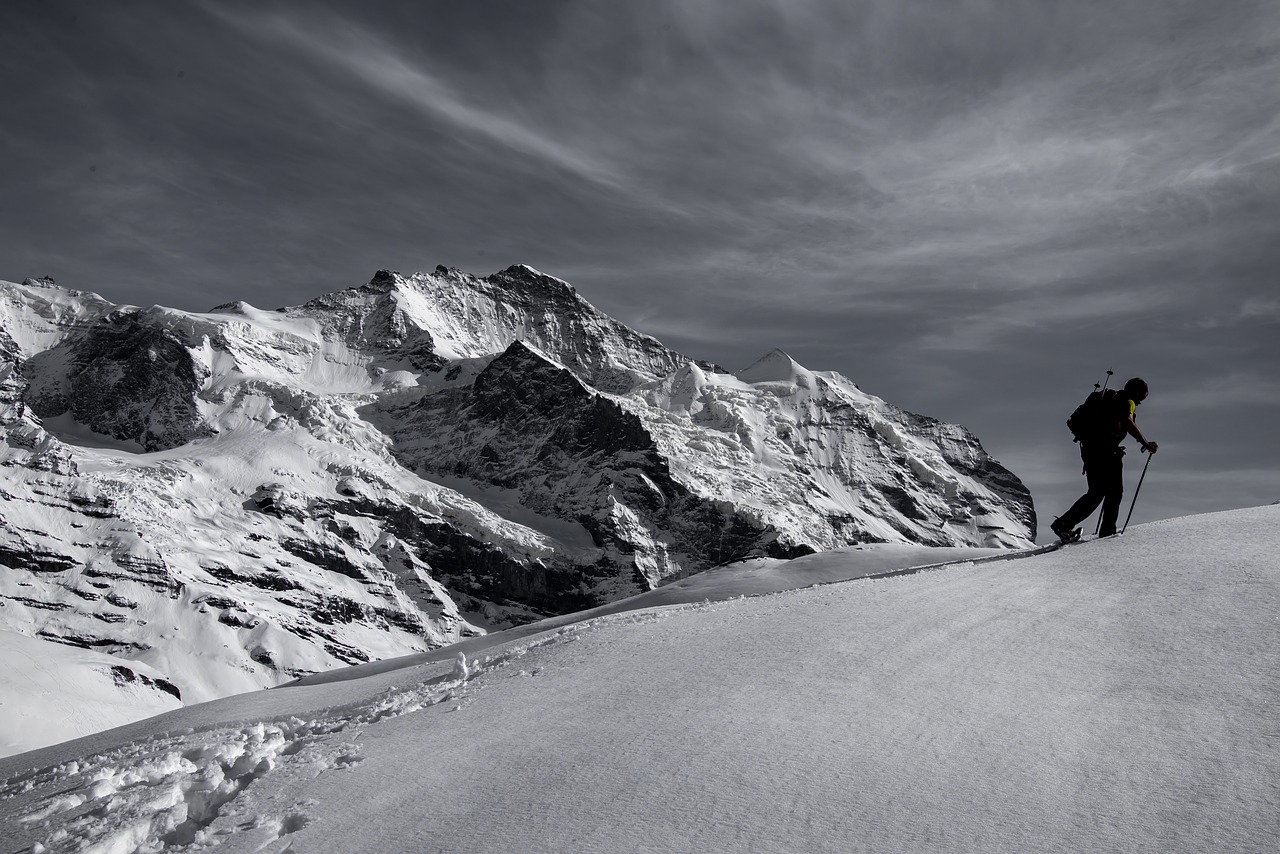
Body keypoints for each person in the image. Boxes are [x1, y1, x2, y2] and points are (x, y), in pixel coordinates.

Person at [1051, 377, 1159, 541]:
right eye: (1144, 394)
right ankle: (1107, 532)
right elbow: (1128, 422)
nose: (1144, 398)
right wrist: (1146, 443)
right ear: (1137, 392)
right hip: (1107, 452)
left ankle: (1064, 524)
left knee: (1096, 492)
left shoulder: (1109, 400)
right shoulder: (1128, 401)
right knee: (1114, 492)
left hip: (1089, 449)